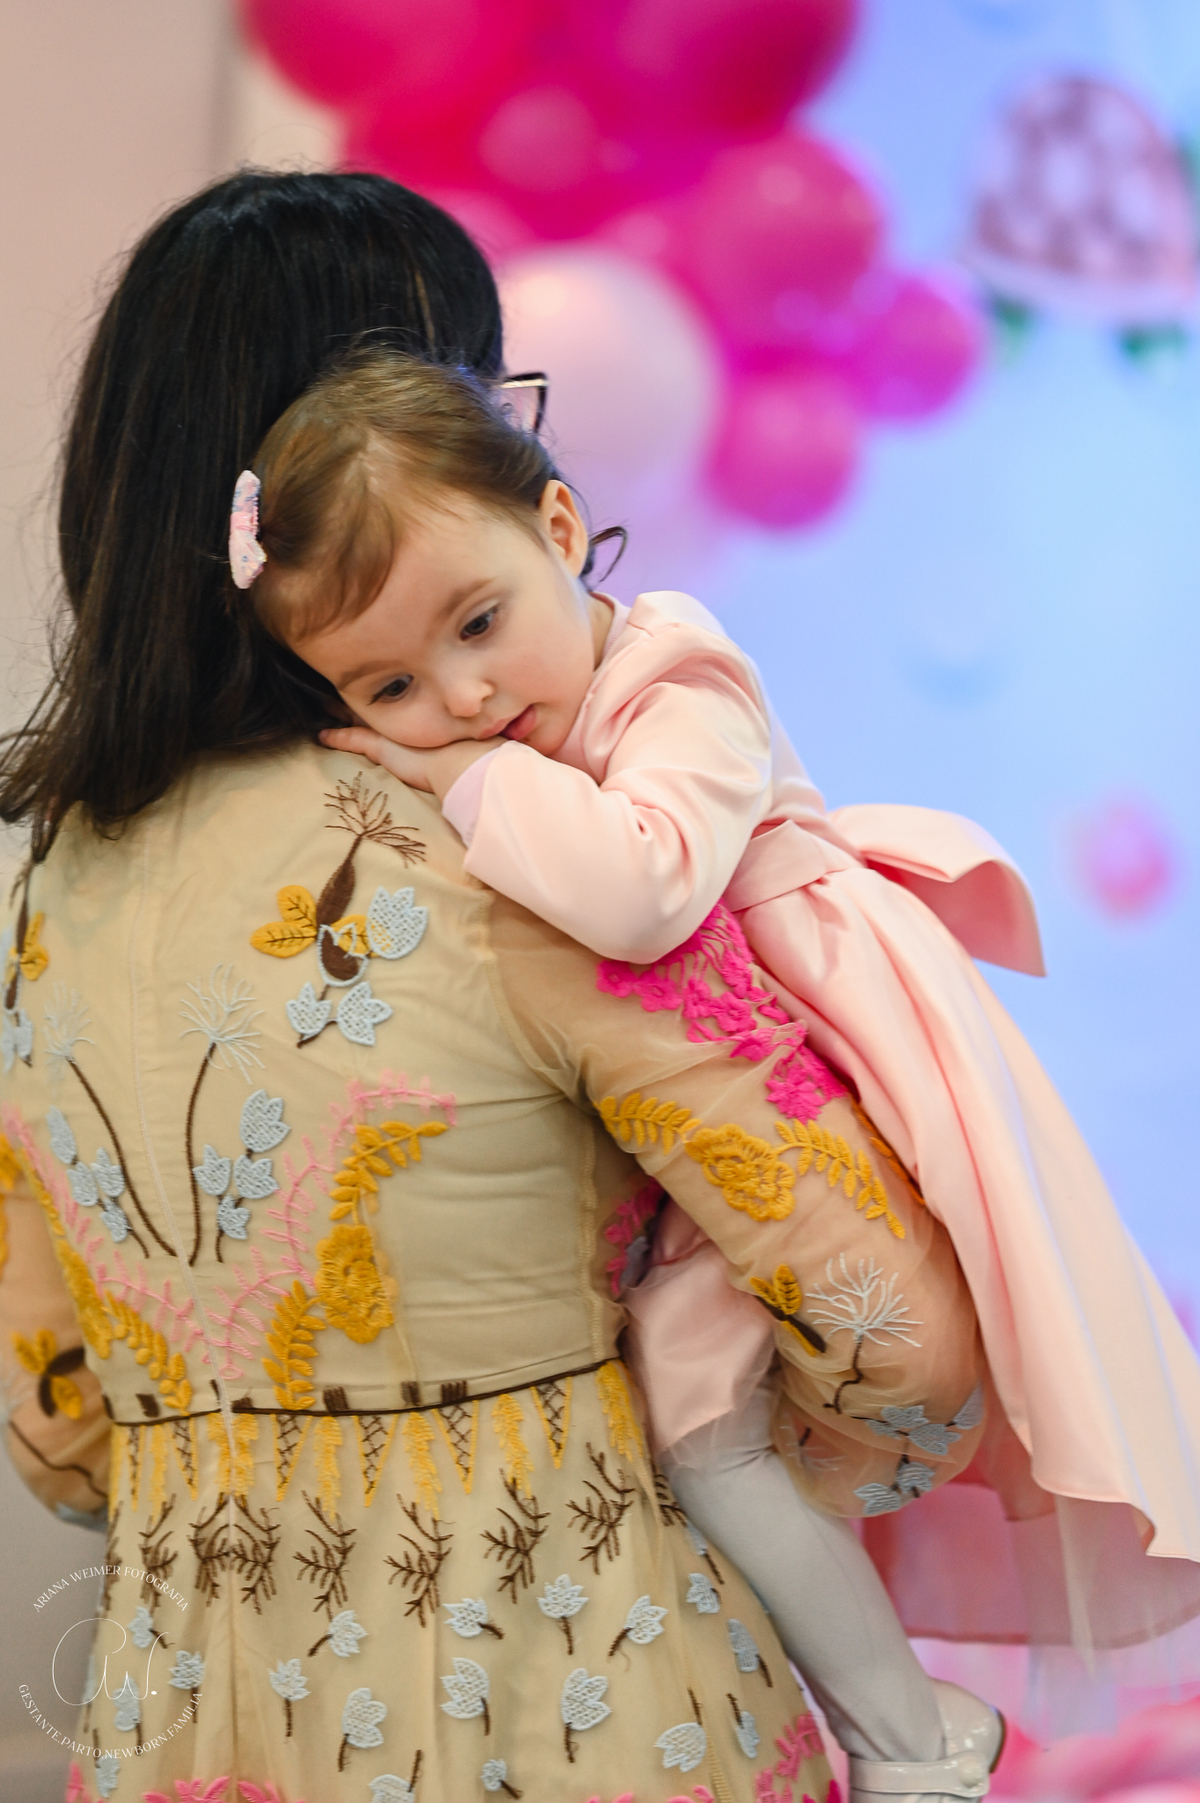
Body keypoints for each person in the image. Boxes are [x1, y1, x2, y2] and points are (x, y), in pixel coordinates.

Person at [0, 172, 997, 1803]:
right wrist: (735, 1451)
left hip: (196, 1719)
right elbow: (899, 1338)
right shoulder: (515, 839)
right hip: (582, 1699)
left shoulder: (59, 883)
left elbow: (60, 1431)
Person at [245, 351, 1200, 1732]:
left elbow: (641, 891)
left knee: (734, 1417)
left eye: (479, 622)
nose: (460, 696)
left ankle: (903, 1726)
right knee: (693, 1425)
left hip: (826, 1041)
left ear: (559, 530)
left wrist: (470, 779)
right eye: (388, 687)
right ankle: (893, 1720)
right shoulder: (527, 731)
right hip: (710, 1078)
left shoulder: (676, 670)